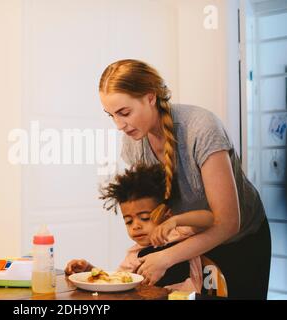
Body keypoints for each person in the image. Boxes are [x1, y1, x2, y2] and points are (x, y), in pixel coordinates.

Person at [97, 59, 271, 299]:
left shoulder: (201, 128)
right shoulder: (134, 142)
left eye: (124, 113)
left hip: (240, 241)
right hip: (189, 242)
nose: (119, 125)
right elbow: (154, 208)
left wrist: (167, 256)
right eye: (111, 115)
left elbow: (228, 222)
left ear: (150, 97)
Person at [65, 164, 214, 293]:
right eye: (128, 221)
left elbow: (210, 219)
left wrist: (176, 220)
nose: (136, 226)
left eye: (144, 218)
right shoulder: (134, 255)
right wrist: (90, 270)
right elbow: (116, 280)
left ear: (166, 215)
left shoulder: (178, 233)